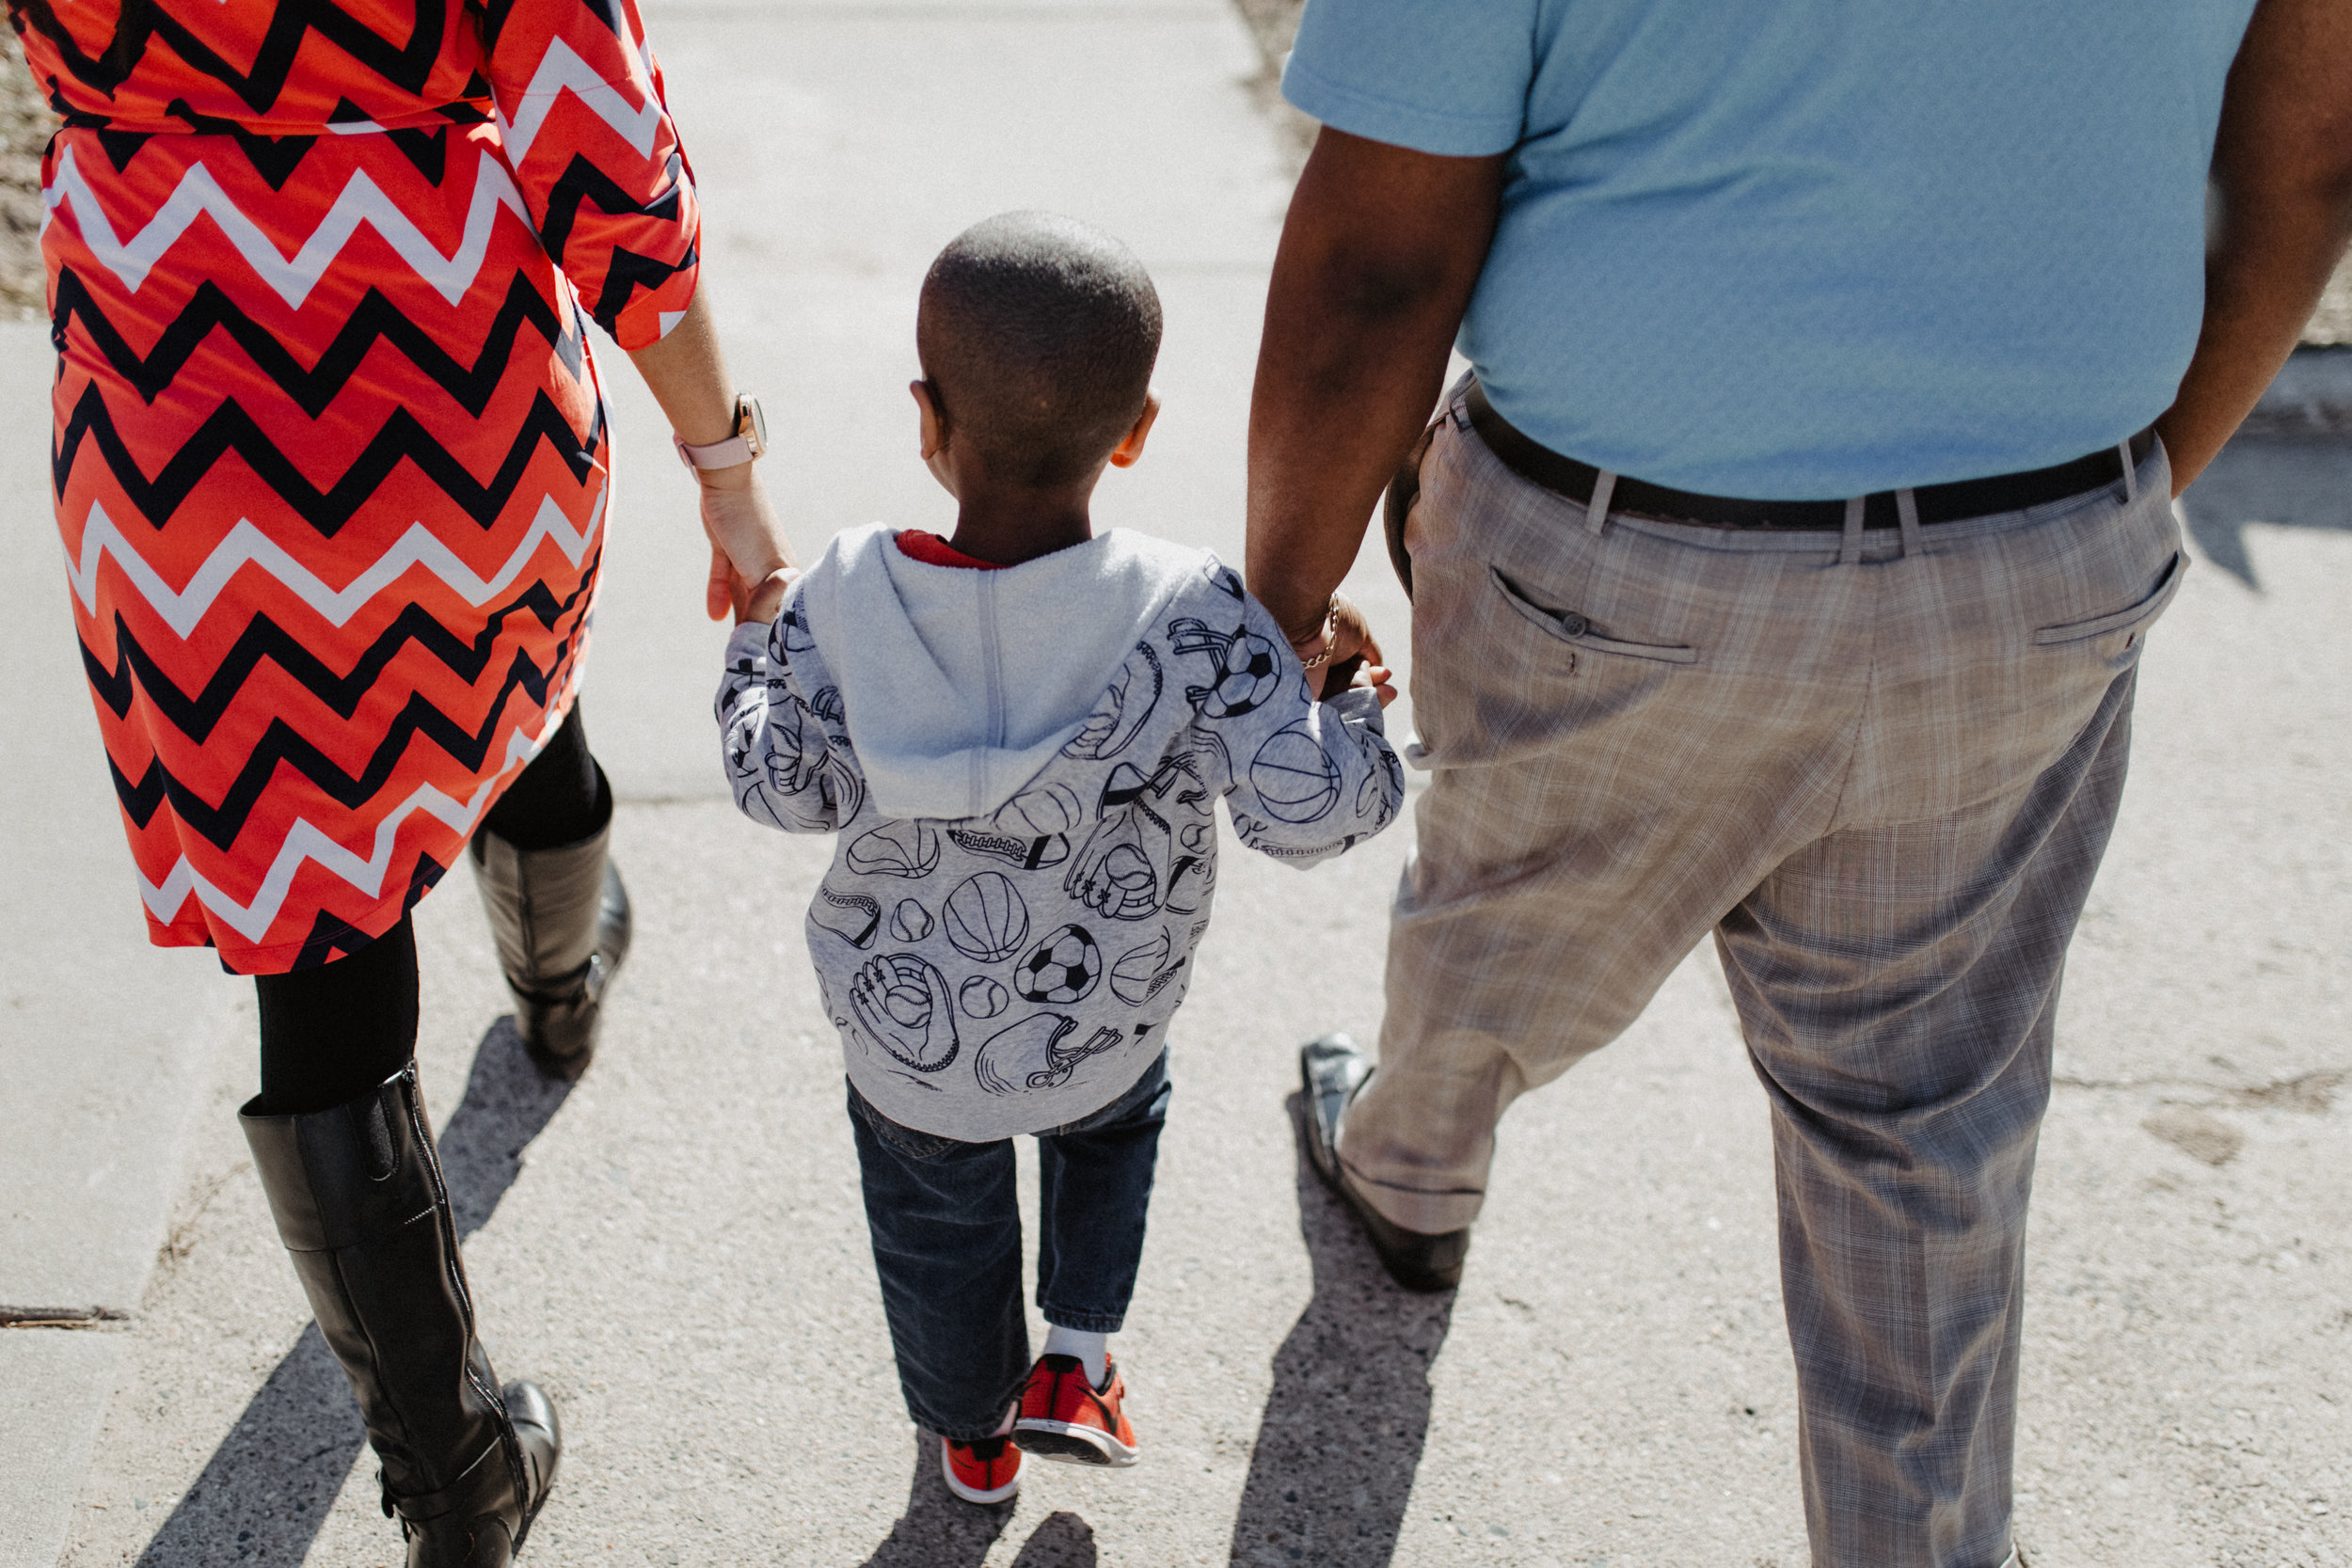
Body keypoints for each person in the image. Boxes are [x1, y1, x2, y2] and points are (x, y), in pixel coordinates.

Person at [1243, 2, 2352, 1565]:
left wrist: (1276, 609)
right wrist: (2118, 492)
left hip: (1615, 552)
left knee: (1510, 896)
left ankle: (1414, 1164)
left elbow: (1380, 259)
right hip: (2038, 544)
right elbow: (2305, 160)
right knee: (1922, 1121)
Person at [20, 2, 789, 1560]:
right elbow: (615, 179)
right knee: (517, 706)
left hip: (170, 422)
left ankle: (455, 1483)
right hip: (455, 402)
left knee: (311, 926)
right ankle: (559, 985)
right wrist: (728, 470)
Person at [715, 212, 1405, 1506]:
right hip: (1105, 1016)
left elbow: (778, 784)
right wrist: (1349, 691)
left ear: (928, 421)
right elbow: (1307, 812)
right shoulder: (1197, 615)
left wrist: (757, 645)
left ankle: (971, 1432)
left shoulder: (841, 603)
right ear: (1135, 432)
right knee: (1110, 1134)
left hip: (910, 1049)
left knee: (936, 1233)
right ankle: (1076, 1359)